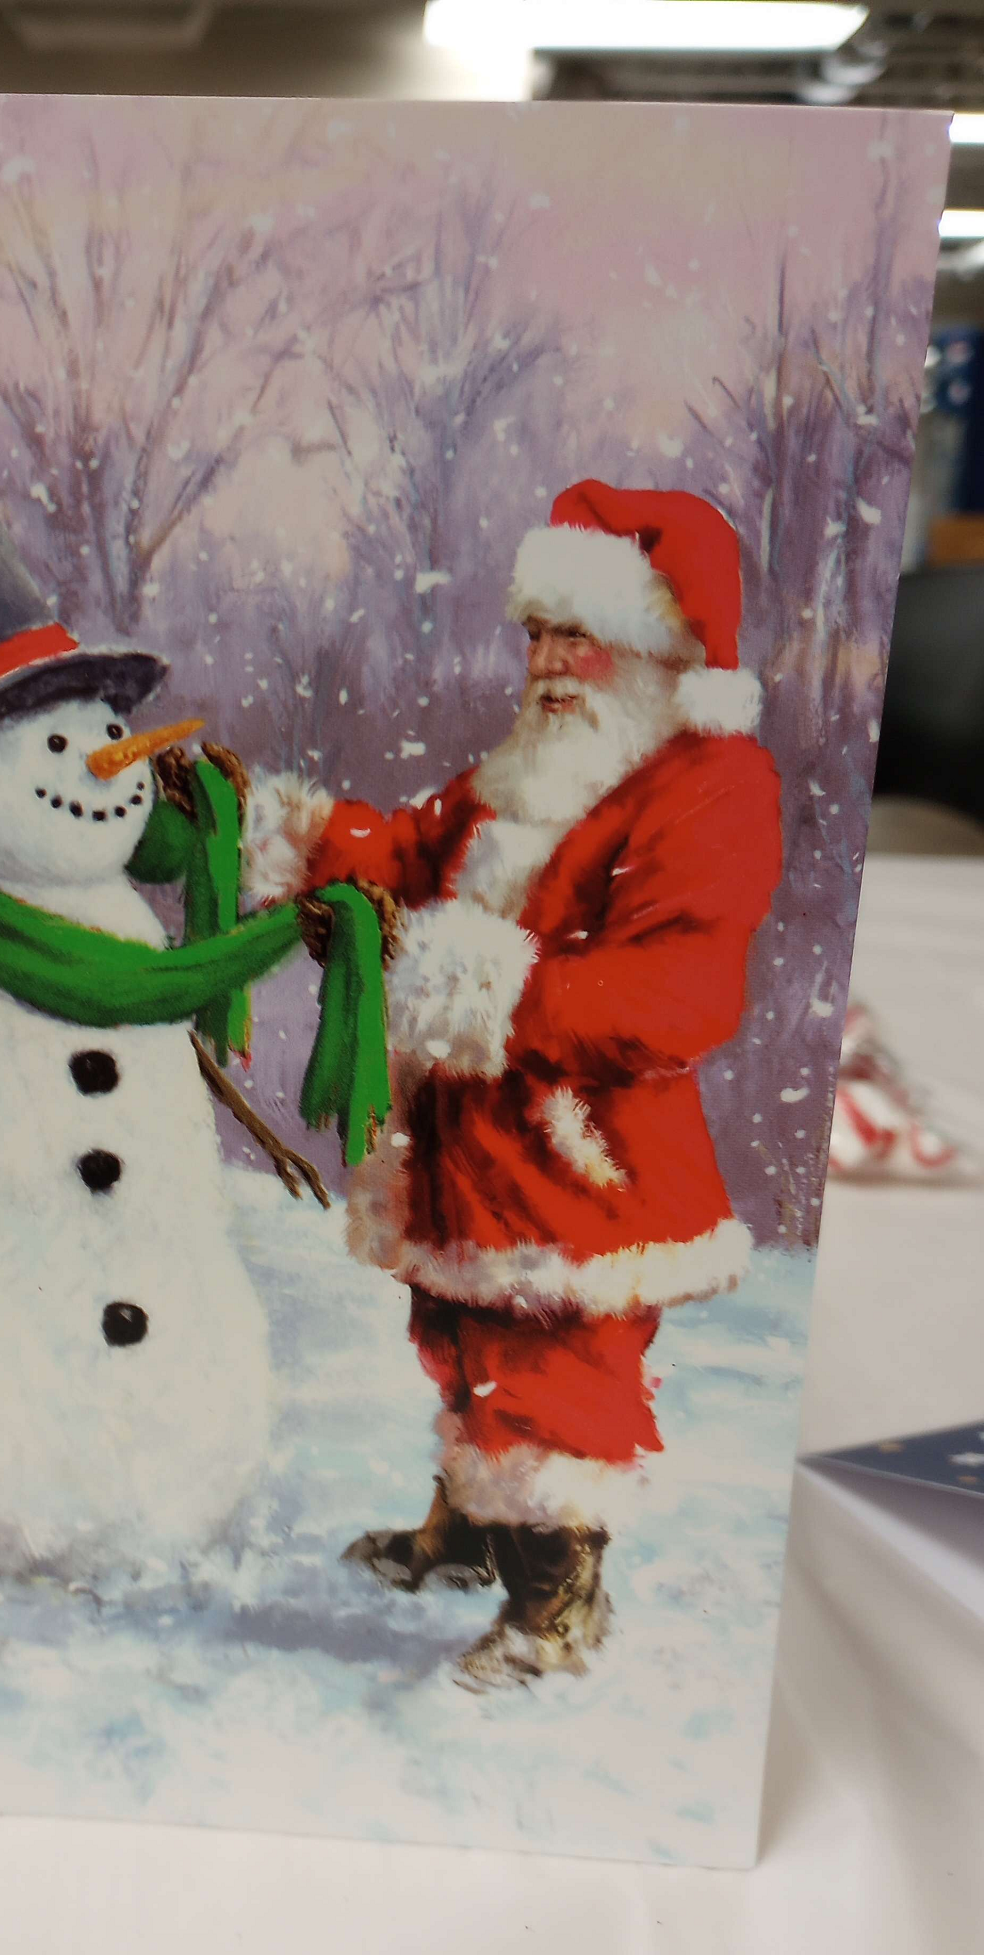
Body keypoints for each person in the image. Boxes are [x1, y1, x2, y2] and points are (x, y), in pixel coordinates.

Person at [242, 480, 784, 1691]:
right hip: (470, 1142)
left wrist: (498, 995)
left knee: (557, 1373)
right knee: (459, 1336)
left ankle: (557, 1602)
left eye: (572, 633)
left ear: (655, 644)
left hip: (586, 1159)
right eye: (535, 632)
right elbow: (409, 855)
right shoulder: (518, 774)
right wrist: (301, 837)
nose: (544, 660)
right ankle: (477, 1528)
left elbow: (682, 997)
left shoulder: (708, 783)